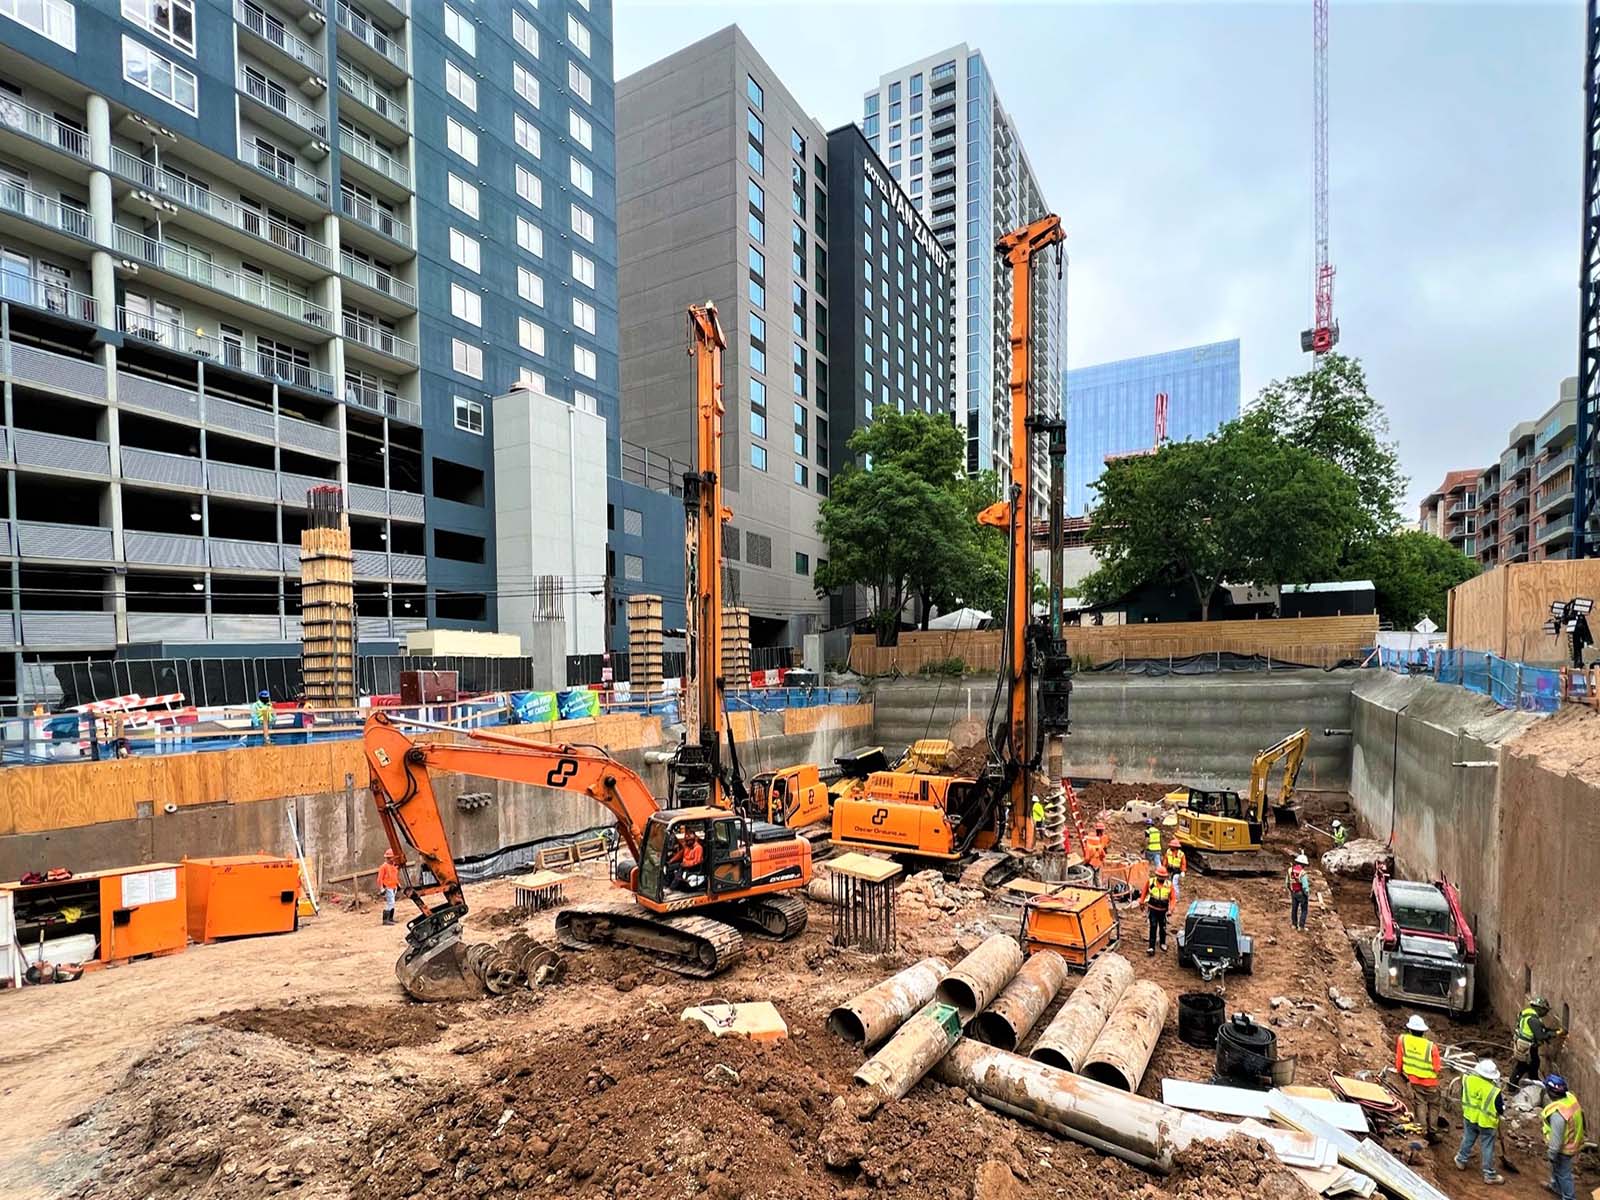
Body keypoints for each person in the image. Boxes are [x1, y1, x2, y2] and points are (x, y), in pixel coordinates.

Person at [1454, 1058, 1505, 1186]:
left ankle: (1460, 1159)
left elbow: (1463, 1094)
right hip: (1486, 1123)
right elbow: (1500, 1109)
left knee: (1468, 1138)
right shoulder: (1494, 1091)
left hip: (1469, 1117)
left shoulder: (1468, 1080)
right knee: (1487, 1147)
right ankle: (1489, 1174)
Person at [1395, 1013, 1444, 1141]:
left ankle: (1422, 1130)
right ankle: (1432, 1132)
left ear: (1410, 1029)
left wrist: (1399, 1072)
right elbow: (1437, 1068)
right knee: (1434, 1106)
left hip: (1414, 1080)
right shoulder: (1431, 1047)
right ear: (1423, 1031)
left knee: (1420, 1103)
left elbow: (1399, 1060)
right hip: (1431, 1082)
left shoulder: (1403, 1040)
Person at [1542, 1075, 1584, 1200]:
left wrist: (1551, 1153)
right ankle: (1556, 1186)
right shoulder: (1570, 1098)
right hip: (1573, 1140)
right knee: (1557, 1168)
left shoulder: (1557, 1114)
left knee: (1563, 1173)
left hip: (1564, 1148)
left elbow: (1557, 1139)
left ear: (1550, 1093)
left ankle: (1569, 1197)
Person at [1510, 995, 1565, 1087]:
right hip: (1527, 1046)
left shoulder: (1526, 1013)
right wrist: (1555, 1034)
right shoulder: (1533, 1020)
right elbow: (1540, 1036)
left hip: (1524, 1043)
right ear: (1539, 1008)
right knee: (1523, 1065)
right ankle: (1512, 1086)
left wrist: (1553, 1031)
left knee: (1534, 1062)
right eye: (1545, 1010)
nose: (1546, 1013)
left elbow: (1541, 1030)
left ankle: (1533, 1080)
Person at [1143, 864, 1173, 956]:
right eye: (1160, 876)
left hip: (1163, 910)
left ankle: (1162, 943)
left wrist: (1171, 910)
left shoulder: (1168, 885)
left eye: (1163, 876)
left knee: (1163, 927)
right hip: (1153, 909)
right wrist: (1141, 902)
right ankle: (1151, 946)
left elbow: (1173, 898)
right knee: (1153, 926)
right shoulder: (1151, 882)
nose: (1161, 878)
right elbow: (1144, 892)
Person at [1286, 852, 1310, 930]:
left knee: (1294, 909)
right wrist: (1306, 894)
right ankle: (1301, 926)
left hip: (1293, 892)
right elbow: (1305, 886)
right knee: (1304, 910)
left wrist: (1290, 890)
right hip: (1301, 893)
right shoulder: (1303, 873)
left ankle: (1294, 924)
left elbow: (1287, 882)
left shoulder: (1290, 870)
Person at [377, 850, 401, 926]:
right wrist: (381, 888)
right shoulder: (383, 867)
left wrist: (398, 884)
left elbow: (394, 876)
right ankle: (385, 920)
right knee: (390, 903)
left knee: (392, 903)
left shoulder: (393, 866)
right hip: (388, 887)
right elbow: (379, 878)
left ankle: (390, 918)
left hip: (393, 886)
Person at [1083, 822, 1108, 886]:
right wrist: (1101, 860)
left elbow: (1087, 858)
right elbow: (1103, 854)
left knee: (1090, 878)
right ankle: (1099, 890)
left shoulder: (1089, 847)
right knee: (1097, 878)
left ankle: (1090, 891)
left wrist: (1085, 863)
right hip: (1098, 863)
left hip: (1091, 864)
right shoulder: (1099, 845)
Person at [1163, 838, 1187, 903]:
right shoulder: (1168, 851)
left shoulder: (1181, 854)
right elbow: (1165, 860)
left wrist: (1183, 871)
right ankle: (1168, 896)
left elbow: (1183, 863)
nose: (1171, 847)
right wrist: (1164, 868)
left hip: (1177, 871)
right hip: (1169, 869)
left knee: (1174, 883)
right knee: (1167, 883)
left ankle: (1176, 898)